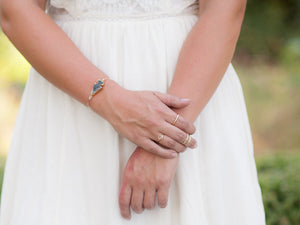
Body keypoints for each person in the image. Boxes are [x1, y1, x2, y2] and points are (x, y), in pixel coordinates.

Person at [0, 0, 266, 224]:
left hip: (192, 91)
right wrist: (108, 100)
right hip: (71, 98)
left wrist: (167, 136)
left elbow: (225, 8)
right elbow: (14, 8)